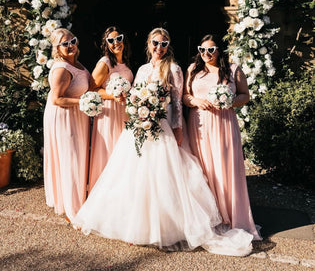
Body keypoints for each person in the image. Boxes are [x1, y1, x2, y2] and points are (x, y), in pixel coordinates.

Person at [72, 28, 254, 256]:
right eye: (156, 43)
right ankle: (133, 223)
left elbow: (178, 102)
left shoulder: (175, 69)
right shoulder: (142, 69)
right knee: (134, 175)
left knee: (164, 175)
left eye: (164, 44)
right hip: (140, 125)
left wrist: (177, 129)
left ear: (169, 46)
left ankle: (167, 226)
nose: (160, 48)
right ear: (149, 45)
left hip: (164, 125)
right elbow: (135, 95)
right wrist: (134, 117)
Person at [183, 34, 261, 241]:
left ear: (219, 50)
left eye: (211, 49)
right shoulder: (193, 70)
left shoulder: (233, 70)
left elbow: (245, 95)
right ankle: (209, 216)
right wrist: (196, 101)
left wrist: (230, 102)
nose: (206, 54)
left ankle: (230, 215)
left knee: (225, 168)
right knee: (204, 168)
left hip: (224, 125)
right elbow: (185, 96)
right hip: (199, 124)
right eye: (202, 49)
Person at [43, 28, 91, 222]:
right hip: (64, 117)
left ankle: (76, 199)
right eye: (65, 44)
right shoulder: (62, 69)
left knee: (77, 157)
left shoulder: (76, 63)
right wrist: (84, 103)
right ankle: (73, 210)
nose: (70, 46)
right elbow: (56, 99)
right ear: (57, 48)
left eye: (73, 41)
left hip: (76, 116)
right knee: (70, 158)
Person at [88, 26, 133, 192]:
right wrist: (112, 95)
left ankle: (120, 192)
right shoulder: (105, 63)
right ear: (106, 44)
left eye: (119, 38)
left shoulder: (125, 62)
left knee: (122, 153)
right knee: (109, 151)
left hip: (124, 113)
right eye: (111, 40)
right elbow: (92, 89)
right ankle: (103, 192)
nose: (116, 43)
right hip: (109, 114)